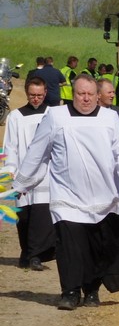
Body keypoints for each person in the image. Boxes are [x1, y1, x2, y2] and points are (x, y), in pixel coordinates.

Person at [13, 75, 119, 309]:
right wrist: (22, 184)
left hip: (103, 197)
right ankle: (70, 292)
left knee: (97, 247)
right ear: (73, 94)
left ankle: (92, 290)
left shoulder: (110, 118)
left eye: (90, 94)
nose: (85, 99)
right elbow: (38, 151)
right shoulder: (56, 116)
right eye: (81, 94)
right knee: (70, 247)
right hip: (67, 196)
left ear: (97, 96)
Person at [9, 75, 55, 271]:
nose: (36, 99)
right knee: (25, 215)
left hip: (45, 173)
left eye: (39, 95)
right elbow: (11, 146)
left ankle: (36, 255)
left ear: (45, 93)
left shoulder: (53, 114)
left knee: (41, 215)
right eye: (32, 95)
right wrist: (11, 169)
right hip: (23, 172)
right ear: (27, 93)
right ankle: (26, 251)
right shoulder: (16, 117)